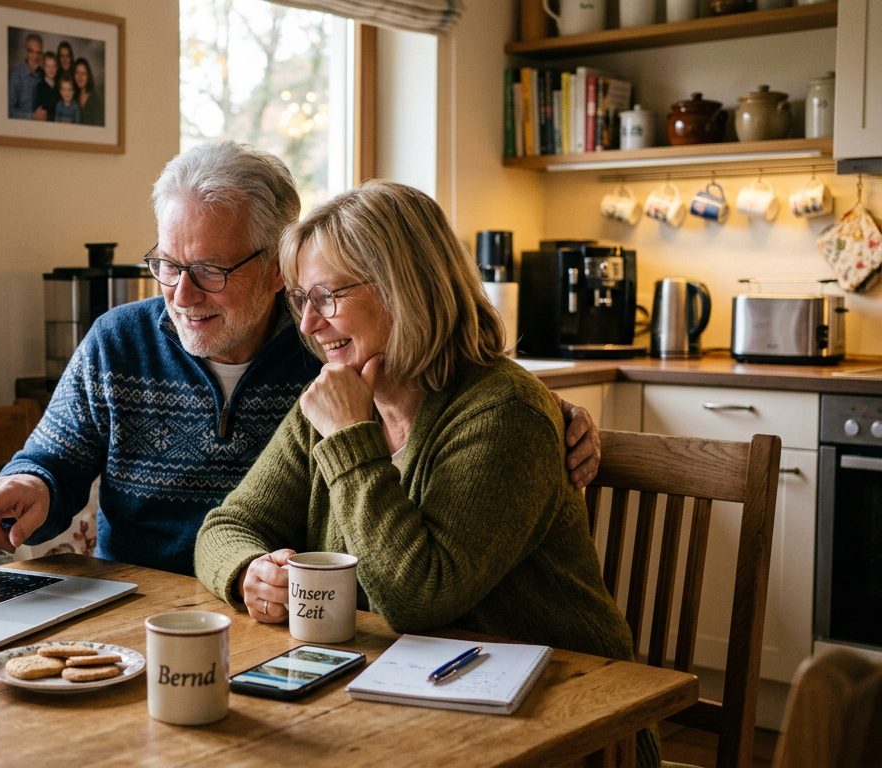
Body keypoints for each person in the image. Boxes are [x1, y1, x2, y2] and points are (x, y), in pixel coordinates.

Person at [0, 143, 600, 578]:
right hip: (146, 600)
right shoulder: (119, 340)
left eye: (209, 270)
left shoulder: (331, 356)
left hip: (294, 617)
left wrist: (548, 414)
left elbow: (451, 402)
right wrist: (31, 483)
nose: (181, 295)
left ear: (275, 268)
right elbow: (56, 456)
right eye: (167, 265)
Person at [192, 180, 655, 766]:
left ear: (403, 289)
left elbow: (419, 597)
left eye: (327, 297)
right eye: (300, 300)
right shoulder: (335, 403)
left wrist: (349, 439)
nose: (308, 325)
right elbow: (225, 526)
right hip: (403, 704)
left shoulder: (503, 413)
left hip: (562, 723)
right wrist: (248, 572)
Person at [8, 32, 44, 120]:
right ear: (25, 52)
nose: (35, 56)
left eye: (38, 53)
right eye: (31, 51)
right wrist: (32, 116)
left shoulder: (44, 74)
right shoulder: (16, 75)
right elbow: (9, 110)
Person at [73, 57, 103, 126]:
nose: (80, 77)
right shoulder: (72, 96)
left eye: (83, 74)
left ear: (88, 76)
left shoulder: (95, 100)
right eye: (77, 73)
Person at [32, 51, 60, 121]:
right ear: (44, 67)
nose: (51, 69)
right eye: (48, 66)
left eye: (53, 66)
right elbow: (39, 110)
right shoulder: (40, 87)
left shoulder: (59, 86)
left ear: (57, 67)